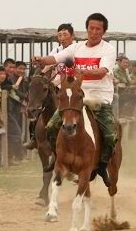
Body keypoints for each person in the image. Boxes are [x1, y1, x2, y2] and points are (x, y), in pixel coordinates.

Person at [32, 12, 119, 186]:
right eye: (91, 28)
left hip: (99, 99)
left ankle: (101, 165)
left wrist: (83, 72)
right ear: (86, 29)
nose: (94, 32)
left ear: (103, 31)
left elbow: (103, 71)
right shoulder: (76, 48)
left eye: (98, 29)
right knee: (50, 127)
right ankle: (57, 158)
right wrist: (41, 59)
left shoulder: (108, 49)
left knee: (110, 135)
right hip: (76, 99)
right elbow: (55, 58)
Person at [23, 23, 75, 150]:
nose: (62, 37)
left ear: (72, 36)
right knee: (39, 106)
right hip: (55, 84)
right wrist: (41, 75)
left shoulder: (77, 50)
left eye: (65, 34)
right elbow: (49, 64)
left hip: (71, 84)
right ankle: (34, 137)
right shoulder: (56, 51)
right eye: (60, 35)